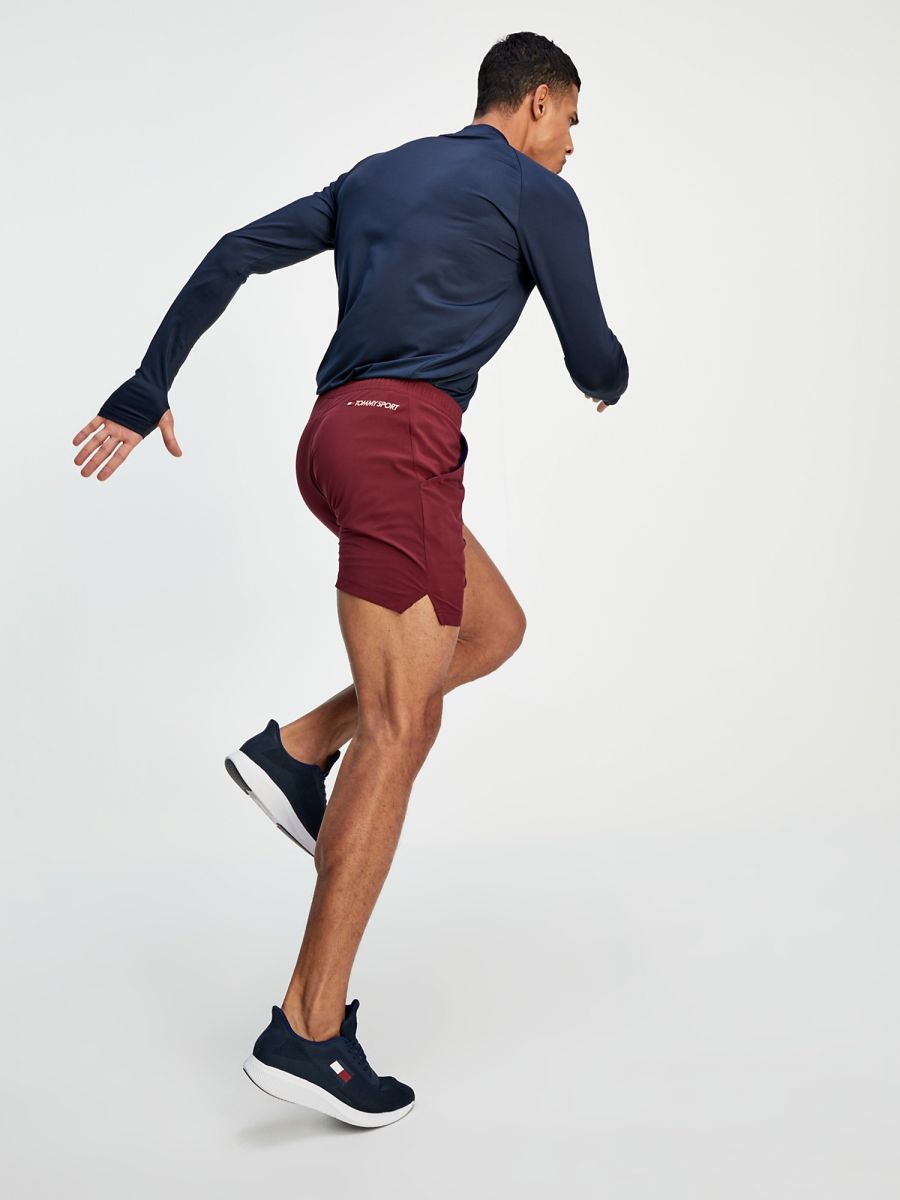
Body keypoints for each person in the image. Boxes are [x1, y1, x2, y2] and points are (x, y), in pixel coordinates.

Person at [71, 31, 629, 1128]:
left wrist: (150, 381)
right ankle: (309, 1029)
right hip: (402, 445)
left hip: (333, 439)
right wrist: (614, 379)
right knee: (404, 727)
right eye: (571, 121)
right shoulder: (536, 192)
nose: (573, 144)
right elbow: (591, 357)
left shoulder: (377, 174)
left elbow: (235, 250)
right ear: (537, 101)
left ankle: (296, 750)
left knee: (492, 627)